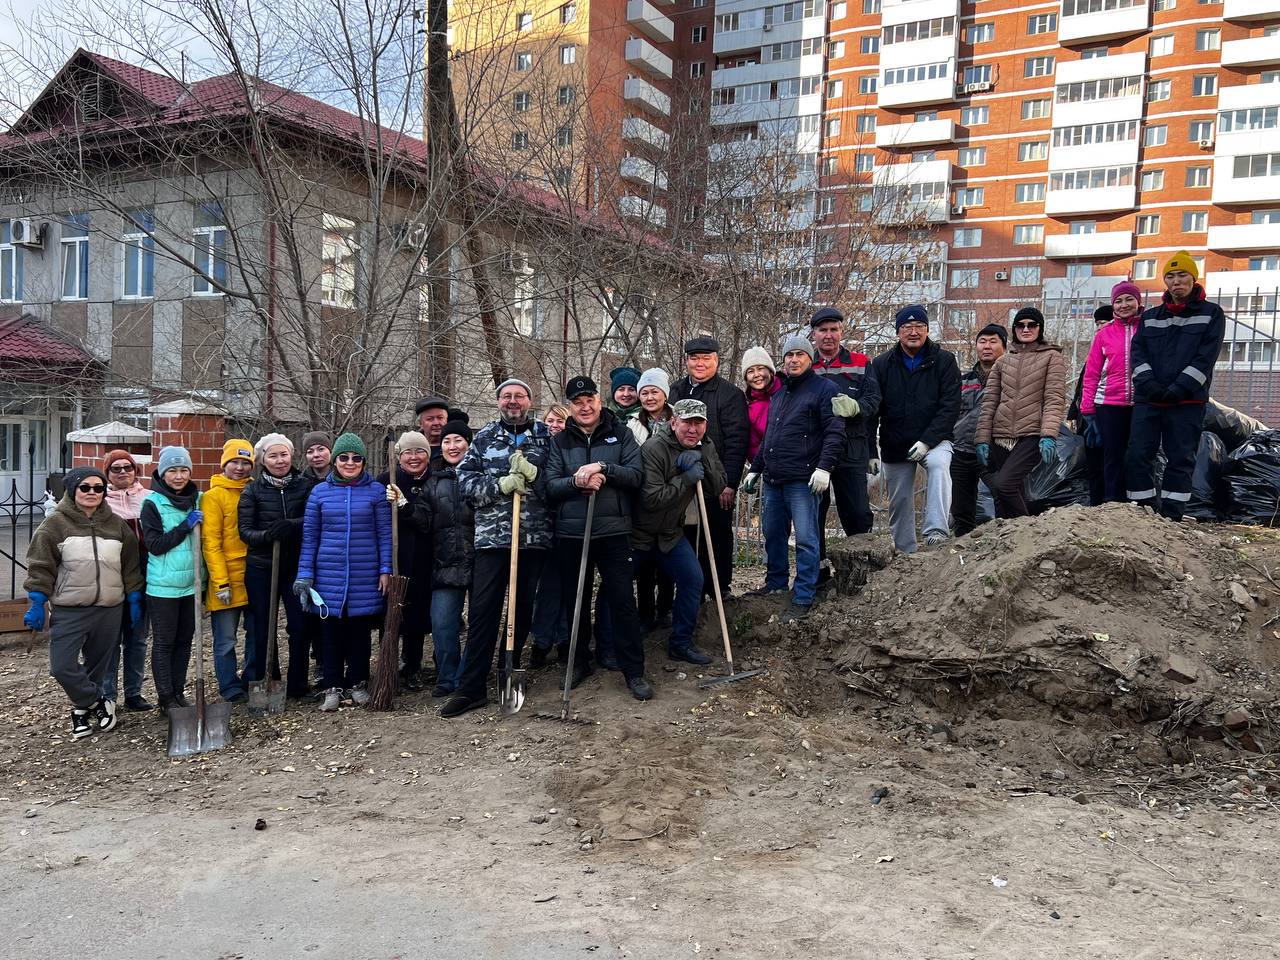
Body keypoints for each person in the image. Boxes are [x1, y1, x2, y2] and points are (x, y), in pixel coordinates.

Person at [442, 378, 554, 718]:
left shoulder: (548, 438)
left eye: (519, 396)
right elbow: (465, 484)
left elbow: (558, 485)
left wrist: (535, 476)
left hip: (533, 538)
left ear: (530, 401)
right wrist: (501, 485)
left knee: (520, 611)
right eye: (507, 396)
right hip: (492, 539)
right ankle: (472, 686)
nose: (513, 401)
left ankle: (510, 667)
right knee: (483, 611)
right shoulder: (485, 438)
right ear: (498, 402)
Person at [545, 375, 653, 699]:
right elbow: (550, 486)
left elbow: (636, 476)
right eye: (578, 402)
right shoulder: (560, 442)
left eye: (589, 399)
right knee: (573, 602)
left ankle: (633, 670)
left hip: (613, 532)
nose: (585, 406)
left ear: (599, 401)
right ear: (570, 407)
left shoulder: (621, 435)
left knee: (622, 601)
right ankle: (578, 662)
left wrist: (603, 468)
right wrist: (577, 482)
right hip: (572, 534)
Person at [23, 466, 144, 739]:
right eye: (85, 487)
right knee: (62, 666)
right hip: (70, 609)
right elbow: (40, 566)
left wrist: (134, 596)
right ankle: (99, 703)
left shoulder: (116, 525)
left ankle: (80, 713)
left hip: (109, 609)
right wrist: (37, 601)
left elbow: (130, 566)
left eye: (98, 488)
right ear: (72, 490)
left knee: (96, 669)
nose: (92, 493)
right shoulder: (54, 525)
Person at [744, 335, 844, 622]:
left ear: (809, 359)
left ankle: (803, 595)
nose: (794, 360)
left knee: (806, 539)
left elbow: (835, 432)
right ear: (783, 361)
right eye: (789, 356)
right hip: (774, 480)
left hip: (804, 479)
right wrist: (756, 469)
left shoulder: (825, 389)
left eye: (800, 354)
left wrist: (824, 468)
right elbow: (769, 439)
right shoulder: (780, 393)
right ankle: (776, 583)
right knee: (773, 534)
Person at [294, 433, 391, 711]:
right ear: (335, 460)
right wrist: (305, 574)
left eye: (356, 458)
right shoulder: (320, 493)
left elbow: (384, 534)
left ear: (363, 461)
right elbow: (310, 536)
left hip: (365, 573)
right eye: (344, 457)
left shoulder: (375, 492)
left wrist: (385, 569)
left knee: (359, 632)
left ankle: (358, 682)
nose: (350, 463)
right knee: (330, 632)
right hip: (328, 575)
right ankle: (332, 686)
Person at [1126, 252, 1226, 521]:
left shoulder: (1212, 314)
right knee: (1137, 454)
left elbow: (1206, 358)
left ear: (1194, 278)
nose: (1176, 281)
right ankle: (1142, 512)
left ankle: (1171, 516)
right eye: (1170, 276)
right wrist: (1150, 385)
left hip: (1187, 401)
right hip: (1150, 400)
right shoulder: (1150, 317)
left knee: (1180, 459)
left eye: (1182, 275)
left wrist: (1179, 388)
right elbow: (1138, 354)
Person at [633, 399, 725, 665]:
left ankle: (681, 643)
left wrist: (702, 457)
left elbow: (717, 487)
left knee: (693, 579)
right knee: (614, 588)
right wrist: (684, 478)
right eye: (686, 422)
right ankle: (609, 646)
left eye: (699, 423)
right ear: (674, 422)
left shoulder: (705, 445)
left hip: (670, 534)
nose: (692, 429)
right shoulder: (654, 448)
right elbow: (650, 498)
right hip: (639, 533)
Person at [871, 305, 961, 553]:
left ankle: (936, 532)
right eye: (907, 327)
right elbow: (873, 409)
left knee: (939, 466)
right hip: (895, 441)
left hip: (935, 439)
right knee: (899, 497)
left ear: (927, 330)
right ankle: (905, 549)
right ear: (898, 332)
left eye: (919, 326)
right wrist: (870, 450)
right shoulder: (881, 365)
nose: (913, 332)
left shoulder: (944, 361)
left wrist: (927, 441)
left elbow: (950, 407)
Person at [237, 433, 317, 700]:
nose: (280, 460)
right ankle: (268, 681)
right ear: (262, 460)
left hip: (295, 566)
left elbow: (315, 517)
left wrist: (291, 526)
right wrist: (268, 535)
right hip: (262, 568)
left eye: (283, 454)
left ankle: (298, 684)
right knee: (263, 628)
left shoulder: (305, 486)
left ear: (291, 455)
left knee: (300, 626)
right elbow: (245, 531)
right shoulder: (253, 490)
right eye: (273, 455)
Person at [669, 336, 749, 596]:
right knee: (685, 535)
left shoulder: (730, 394)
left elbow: (737, 441)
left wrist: (730, 484)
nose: (700, 363)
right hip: (681, 479)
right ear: (687, 360)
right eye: (694, 358)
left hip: (716, 480)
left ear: (716, 360)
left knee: (717, 535)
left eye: (706, 358)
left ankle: (718, 588)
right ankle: (689, 590)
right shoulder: (677, 390)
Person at [975, 308, 1067, 519]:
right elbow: (989, 403)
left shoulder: (1052, 357)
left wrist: (1048, 435)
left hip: (1032, 434)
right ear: (1014, 329)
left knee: (1004, 484)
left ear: (1040, 328)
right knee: (1012, 489)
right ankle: (1009, 538)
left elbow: (1054, 398)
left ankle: (1025, 530)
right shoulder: (1003, 361)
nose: (1026, 329)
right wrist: (982, 439)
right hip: (1000, 436)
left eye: (1031, 325)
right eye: (1020, 325)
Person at [809, 307, 882, 549]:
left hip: (852, 446)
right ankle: (817, 575)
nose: (828, 335)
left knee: (857, 513)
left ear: (842, 331)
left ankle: (861, 571)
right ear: (814, 334)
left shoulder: (861, 363)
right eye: (822, 330)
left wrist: (856, 408)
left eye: (833, 329)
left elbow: (874, 400)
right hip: (815, 448)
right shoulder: (806, 365)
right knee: (813, 514)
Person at [140, 446, 203, 713]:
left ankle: (179, 692)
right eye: (173, 471)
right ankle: (165, 698)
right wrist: (184, 526)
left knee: (185, 641)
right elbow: (155, 545)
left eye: (184, 470)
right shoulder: (152, 503)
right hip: (163, 587)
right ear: (162, 473)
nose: (179, 476)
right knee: (165, 643)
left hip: (192, 585)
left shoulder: (198, 499)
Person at [416, 420, 475, 698]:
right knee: (442, 625)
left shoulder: (480, 475)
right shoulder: (432, 482)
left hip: (480, 563)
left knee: (480, 624)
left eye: (458, 440)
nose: (452, 446)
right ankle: (447, 676)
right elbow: (423, 521)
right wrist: (403, 507)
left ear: (468, 443)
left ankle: (469, 675)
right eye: (448, 441)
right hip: (444, 564)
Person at [379, 430, 435, 691]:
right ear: (399, 456)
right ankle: (387, 666)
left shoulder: (434, 481)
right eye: (408, 452)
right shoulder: (386, 481)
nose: (414, 457)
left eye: (420, 451)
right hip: (393, 559)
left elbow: (429, 522)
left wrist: (404, 504)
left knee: (417, 614)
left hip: (425, 559)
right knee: (390, 614)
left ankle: (412, 665)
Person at [202, 439, 256, 704]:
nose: (240, 467)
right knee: (225, 639)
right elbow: (211, 543)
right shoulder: (214, 497)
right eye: (235, 461)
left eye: (246, 462)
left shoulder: (256, 490)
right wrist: (221, 582)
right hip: (226, 577)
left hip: (254, 574)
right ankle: (229, 685)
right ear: (224, 463)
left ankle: (251, 679)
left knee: (256, 635)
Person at [101, 448, 153, 711]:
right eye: (116, 469)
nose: (123, 472)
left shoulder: (150, 498)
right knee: (110, 639)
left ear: (136, 471)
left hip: (144, 574)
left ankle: (133, 693)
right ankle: (107, 694)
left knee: (138, 637)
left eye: (128, 467)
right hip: (111, 575)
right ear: (107, 473)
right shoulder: (100, 501)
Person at [1081, 284, 1143, 503]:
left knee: (1139, 455)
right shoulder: (1104, 334)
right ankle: (1112, 504)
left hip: (1142, 403)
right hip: (1108, 404)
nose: (1124, 305)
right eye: (1118, 301)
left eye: (1129, 300)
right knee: (1112, 456)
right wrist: (1087, 408)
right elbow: (1091, 373)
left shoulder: (1147, 328)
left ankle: (1139, 502)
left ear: (1138, 302)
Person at [628, 367, 675, 632]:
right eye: (644, 392)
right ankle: (645, 611)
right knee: (644, 559)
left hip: (671, 496)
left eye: (654, 391)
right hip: (641, 495)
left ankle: (664, 609)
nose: (649, 397)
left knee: (666, 556)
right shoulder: (633, 422)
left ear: (664, 394)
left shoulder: (676, 419)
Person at [951, 324, 1007, 536]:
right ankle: (962, 548)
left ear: (1004, 346)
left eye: (993, 341)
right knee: (961, 508)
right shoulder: (963, 381)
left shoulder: (1008, 380)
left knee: (1003, 494)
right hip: (961, 451)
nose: (987, 346)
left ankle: (1004, 540)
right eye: (982, 341)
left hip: (995, 451)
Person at [530, 404, 570, 665]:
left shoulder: (569, 448)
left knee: (567, 585)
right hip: (540, 527)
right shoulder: (535, 448)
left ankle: (565, 639)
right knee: (546, 588)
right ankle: (542, 640)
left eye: (560, 421)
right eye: (550, 420)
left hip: (567, 524)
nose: (554, 425)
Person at [742, 347, 780, 467]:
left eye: (761, 369)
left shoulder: (789, 393)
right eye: (750, 371)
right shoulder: (750, 409)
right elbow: (753, 447)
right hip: (770, 470)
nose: (757, 375)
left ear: (770, 371)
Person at [415, 397, 450, 462]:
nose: (436, 423)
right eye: (430, 419)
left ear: (447, 420)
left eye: (440, 418)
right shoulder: (411, 449)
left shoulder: (455, 448)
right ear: (420, 423)